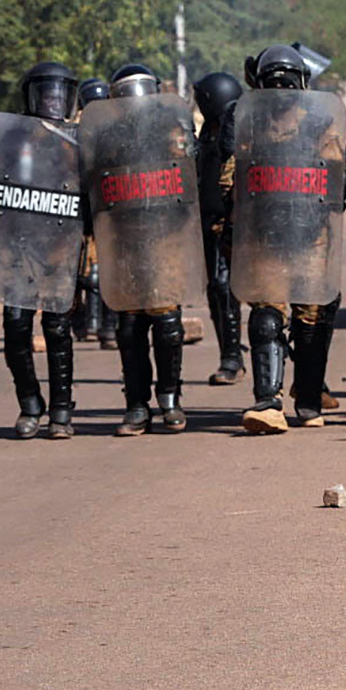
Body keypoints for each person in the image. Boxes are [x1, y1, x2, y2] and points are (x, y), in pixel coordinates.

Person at [221, 43, 344, 435]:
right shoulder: (249, 125)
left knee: (311, 319)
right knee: (266, 316)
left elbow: (336, 175)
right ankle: (267, 401)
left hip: (310, 238)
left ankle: (307, 400)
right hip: (265, 238)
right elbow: (229, 179)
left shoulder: (319, 124)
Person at [92, 63, 191, 437]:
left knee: (167, 325)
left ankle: (169, 398)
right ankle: (136, 405)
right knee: (130, 328)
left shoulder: (171, 132)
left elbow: (186, 183)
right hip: (124, 241)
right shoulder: (106, 139)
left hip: (164, 239)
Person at [0, 60, 84, 439]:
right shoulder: (11, 138)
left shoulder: (79, 141)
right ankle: (30, 404)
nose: (51, 101)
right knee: (16, 327)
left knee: (57, 327)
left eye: (58, 94)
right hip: (18, 246)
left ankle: (61, 411)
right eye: (45, 93)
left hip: (58, 246)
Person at [193, 70, 246, 386]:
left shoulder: (237, 137)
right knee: (218, 289)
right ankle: (231, 357)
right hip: (210, 224)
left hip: (237, 224)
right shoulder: (207, 136)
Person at [73, 77, 115, 351]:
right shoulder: (74, 134)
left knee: (105, 272)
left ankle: (108, 327)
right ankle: (82, 323)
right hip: (80, 211)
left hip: (107, 211)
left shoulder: (116, 132)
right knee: (77, 273)